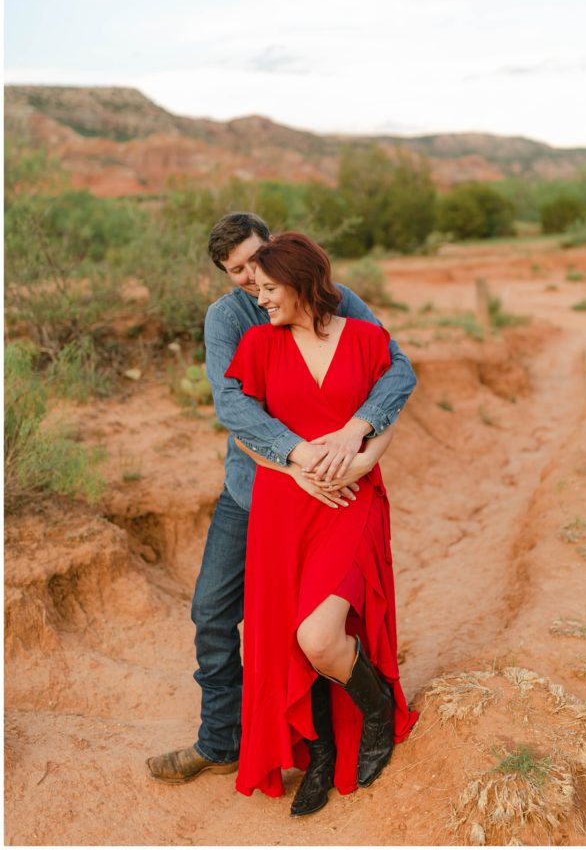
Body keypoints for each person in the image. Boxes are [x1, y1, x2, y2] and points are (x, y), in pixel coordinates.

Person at [146, 212, 416, 785]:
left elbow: (393, 369)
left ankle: (333, 738)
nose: (249, 279)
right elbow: (234, 406)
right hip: (253, 492)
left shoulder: (336, 301)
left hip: (334, 494)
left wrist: (358, 435)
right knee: (213, 614)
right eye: (236, 271)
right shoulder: (227, 319)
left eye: (255, 262)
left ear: (278, 250)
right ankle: (222, 742)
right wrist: (298, 459)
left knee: (311, 623)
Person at [226, 232, 417, 812]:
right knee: (290, 638)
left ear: (302, 282)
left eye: (267, 287)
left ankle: (379, 711)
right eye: (254, 288)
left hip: (351, 500)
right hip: (285, 505)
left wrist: (360, 449)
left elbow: (392, 406)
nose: (259, 299)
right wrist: (296, 467)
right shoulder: (259, 345)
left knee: (319, 636)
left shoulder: (364, 338)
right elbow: (245, 429)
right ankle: (322, 753)